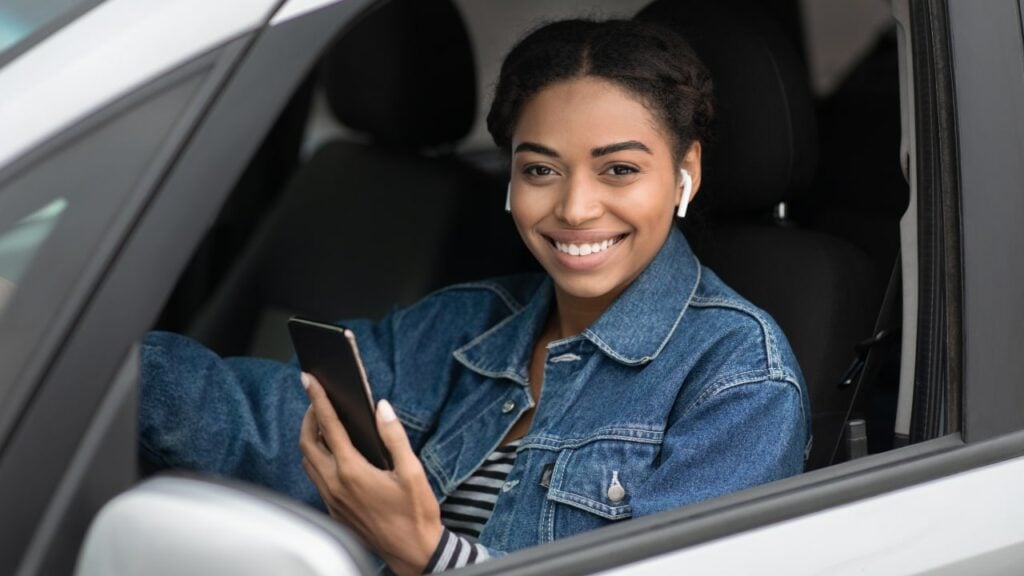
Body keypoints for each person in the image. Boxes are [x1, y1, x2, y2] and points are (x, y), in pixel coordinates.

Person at [140, 18, 810, 575]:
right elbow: (256, 424)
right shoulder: (463, 321)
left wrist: (429, 557)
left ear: (684, 171)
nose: (575, 208)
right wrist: (83, 357)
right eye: (541, 169)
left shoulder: (740, 379)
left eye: (620, 170)